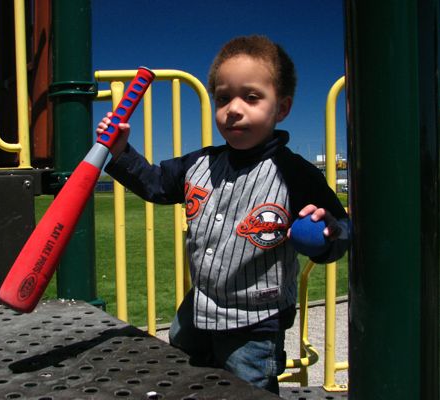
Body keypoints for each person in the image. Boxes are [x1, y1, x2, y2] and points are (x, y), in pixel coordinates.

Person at [96, 35, 350, 394]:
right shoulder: (199, 164)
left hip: (255, 323)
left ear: (281, 108)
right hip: (198, 309)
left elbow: (341, 227)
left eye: (251, 97)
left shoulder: (295, 174)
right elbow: (155, 184)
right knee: (185, 375)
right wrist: (122, 152)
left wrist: (327, 233)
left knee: (246, 389)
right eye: (223, 98)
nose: (233, 108)